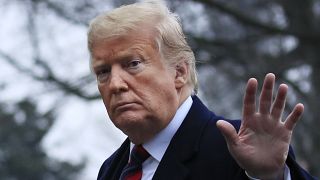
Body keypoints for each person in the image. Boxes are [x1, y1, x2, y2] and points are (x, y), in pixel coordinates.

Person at [87, 0, 316, 179]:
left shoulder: (241, 149)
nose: (115, 84)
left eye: (133, 64)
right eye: (103, 72)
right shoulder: (112, 169)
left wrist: (270, 177)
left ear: (179, 72)